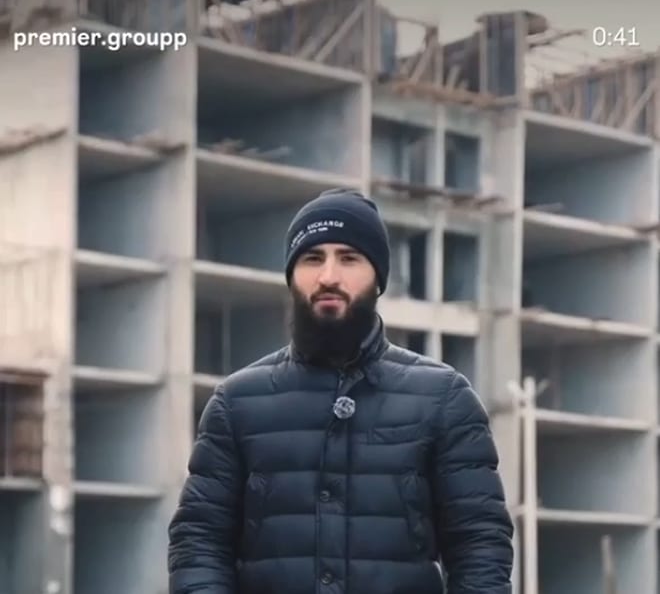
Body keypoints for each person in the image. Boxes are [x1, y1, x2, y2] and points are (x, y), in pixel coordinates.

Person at [168, 188, 514, 594]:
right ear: (291, 276)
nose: (329, 276)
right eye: (313, 258)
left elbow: (480, 546)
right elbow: (200, 542)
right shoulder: (237, 402)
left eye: (349, 258)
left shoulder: (444, 398)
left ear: (378, 277)